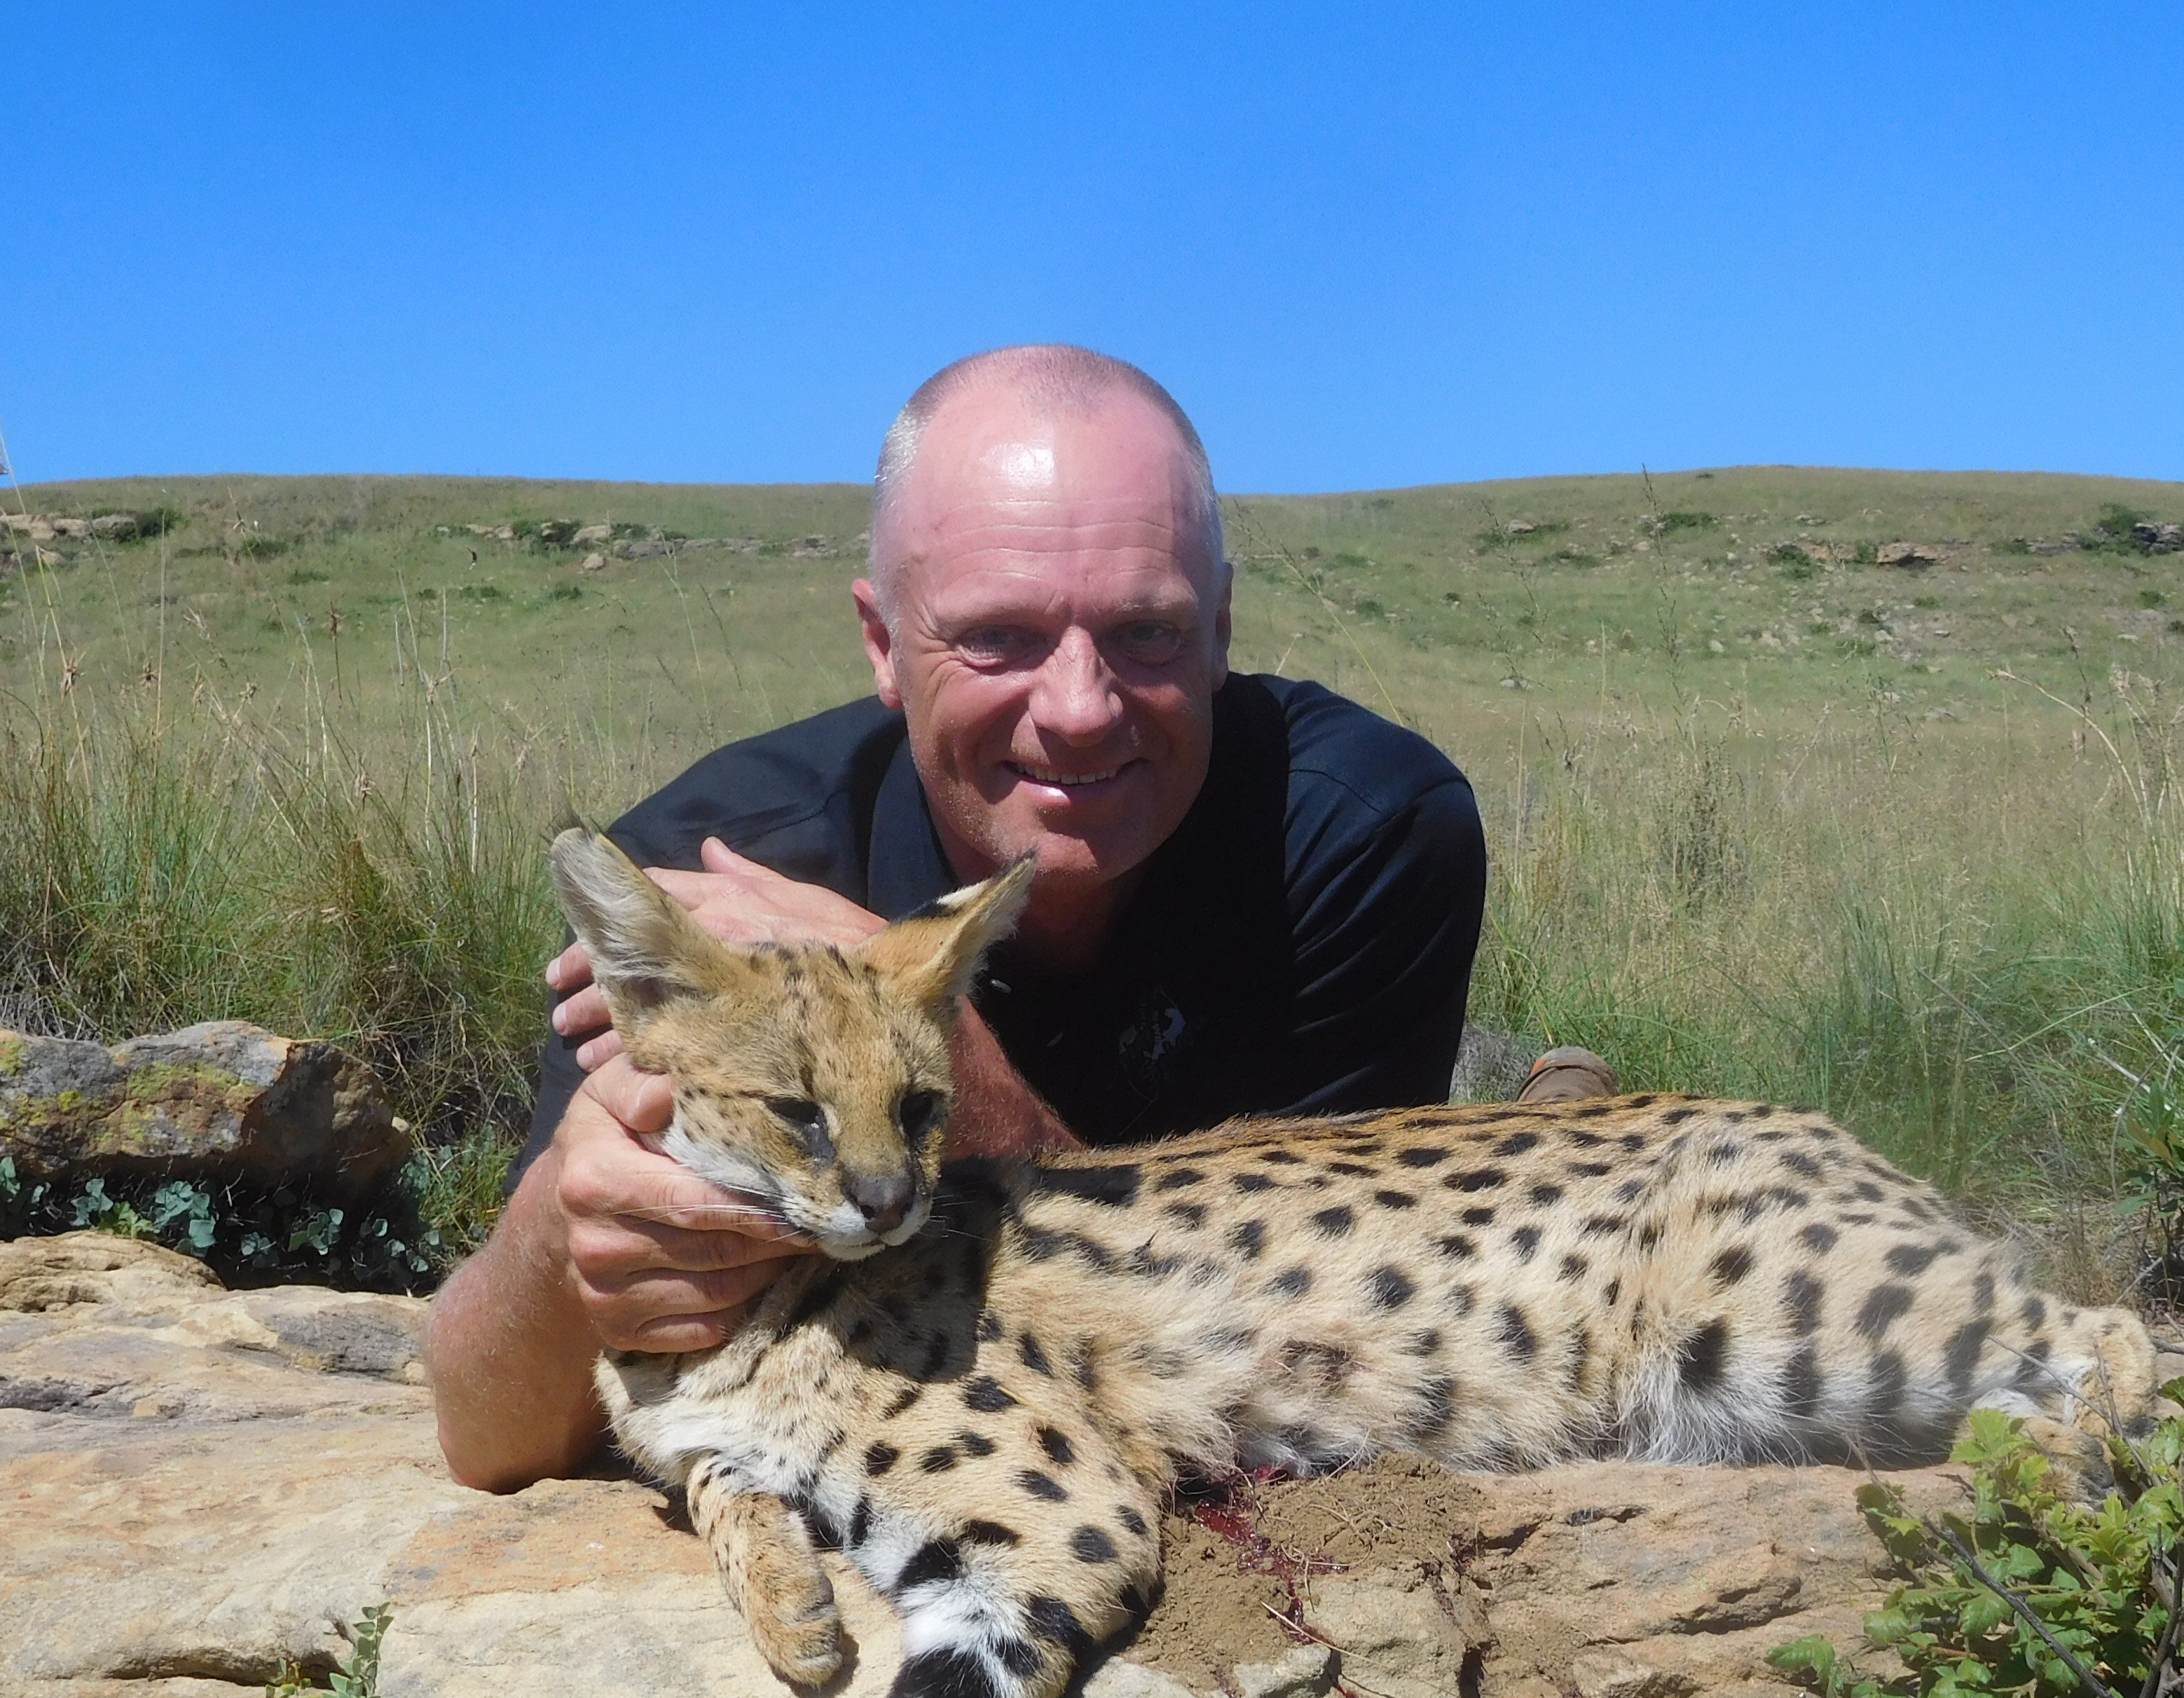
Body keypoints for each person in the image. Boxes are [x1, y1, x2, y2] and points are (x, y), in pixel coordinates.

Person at [430, 345, 1574, 1491]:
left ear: (1223, 626)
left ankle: (1561, 1118)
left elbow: (1345, 1320)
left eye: (1147, 633)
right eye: (1000, 638)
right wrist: (556, 1241)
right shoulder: (709, 886)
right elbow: (490, 1441)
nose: (1079, 710)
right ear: (884, 645)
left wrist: (914, 1028)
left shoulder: (1360, 829)